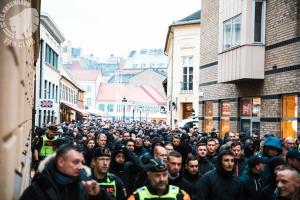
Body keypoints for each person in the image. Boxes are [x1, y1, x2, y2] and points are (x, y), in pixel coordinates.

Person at [20, 144, 112, 200]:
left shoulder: (86, 184)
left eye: (81, 162)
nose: (81, 167)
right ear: (61, 162)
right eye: (75, 162)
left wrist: (99, 195)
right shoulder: (38, 189)